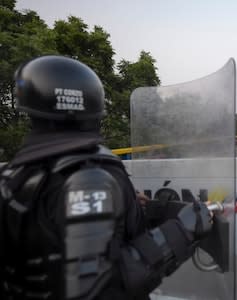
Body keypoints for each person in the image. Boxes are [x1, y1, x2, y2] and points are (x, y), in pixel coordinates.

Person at [0, 55, 212, 299]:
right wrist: (183, 230)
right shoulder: (86, 180)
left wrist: (127, 206)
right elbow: (97, 290)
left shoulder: (15, 173)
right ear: (91, 106)